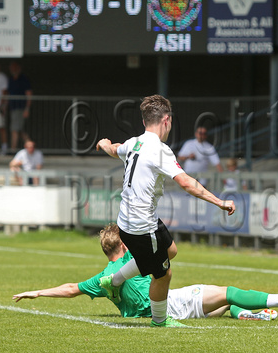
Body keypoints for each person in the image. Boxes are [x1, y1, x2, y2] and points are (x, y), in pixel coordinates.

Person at [96, 95, 236, 328]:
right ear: (167, 120)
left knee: (170, 250)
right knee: (163, 274)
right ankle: (160, 320)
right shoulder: (160, 150)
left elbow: (115, 148)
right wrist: (219, 202)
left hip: (129, 222)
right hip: (141, 226)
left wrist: (103, 144)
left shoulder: (134, 142)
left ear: (144, 122)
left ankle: (115, 280)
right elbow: (187, 183)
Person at [12, 224, 278, 321]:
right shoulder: (134, 261)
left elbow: (70, 289)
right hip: (171, 304)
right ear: (126, 244)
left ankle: (248, 314)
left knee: (225, 303)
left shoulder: (103, 278)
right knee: (226, 292)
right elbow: (170, 254)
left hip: (158, 311)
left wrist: (36, 292)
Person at [8, 61, 33, 151]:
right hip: (13, 108)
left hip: (20, 108)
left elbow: (29, 94)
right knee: (20, 130)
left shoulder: (23, 79)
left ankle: (12, 149)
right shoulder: (11, 79)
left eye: (15, 67)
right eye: (11, 68)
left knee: (15, 129)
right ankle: (30, 147)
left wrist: (27, 109)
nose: (13, 70)